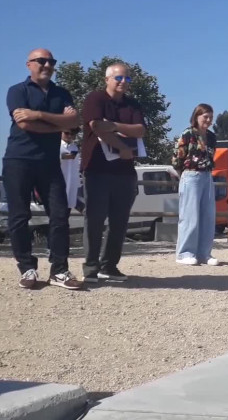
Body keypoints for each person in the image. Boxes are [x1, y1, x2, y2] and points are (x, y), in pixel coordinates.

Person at [3, 48, 84, 289]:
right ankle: (27, 269)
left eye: (51, 61)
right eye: (41, 61)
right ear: (29, 64)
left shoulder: (62, 93)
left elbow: (74, 122)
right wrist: (58, 121)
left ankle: (59, 270)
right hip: (19, 160)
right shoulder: (17, 91)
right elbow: (24, 123)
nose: (47, 65)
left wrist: (38, 113)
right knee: (19, 217)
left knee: (60, 215)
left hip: (49, 163)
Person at [81, 63, 146, 283]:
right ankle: (91, 268)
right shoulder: (95, 99)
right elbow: (97, 126)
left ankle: (109, 266)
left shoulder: (133, 104)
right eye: (118, 78)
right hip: (97, 168)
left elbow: (140, 130)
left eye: (127, 79)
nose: (122, 82)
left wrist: (115, 125)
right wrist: (122, 147)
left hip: (125, 170)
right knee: (95, 219)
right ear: (107, 79)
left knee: (119, 221)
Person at [172, 104, 219, 266]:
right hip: (191, 174)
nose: (208, 120)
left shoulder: (212, 137)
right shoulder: (187, 134)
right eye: (205, 116)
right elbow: (177, 158)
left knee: (207, 215)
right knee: (190, 215)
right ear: (196, 116)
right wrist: (183, 175)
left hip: (207, 175)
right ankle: (185, 252)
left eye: (210, 117)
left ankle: (204, 253)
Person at [60, 128, 82, 211]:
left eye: (72, 134)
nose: (69, 136)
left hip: (71, 180)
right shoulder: (57, 145)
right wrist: (64, 156)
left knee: (69, 204)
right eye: (66, 133)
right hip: (60, 178)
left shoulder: (74, 147)